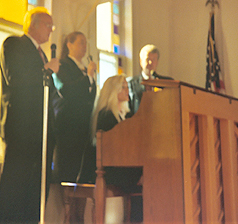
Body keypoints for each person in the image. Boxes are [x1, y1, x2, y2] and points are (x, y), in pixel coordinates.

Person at [0, 6, 59, 224]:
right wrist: (46, 71)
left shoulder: (42, 55)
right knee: (15, 189)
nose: (51, 30)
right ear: (32, 25)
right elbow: (16, 78)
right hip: (21, 130)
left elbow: (48, 93)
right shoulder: (14, 44)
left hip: (42, 133)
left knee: (36, 191)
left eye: (52, 26)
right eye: (47, 24)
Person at [78, 75, 143, 222]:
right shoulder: (106, 115)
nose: (128, 90)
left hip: (114, 165)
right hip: (106, 168)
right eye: (123, 87)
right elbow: (111, 149)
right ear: (114, 91)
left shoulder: (123, 115)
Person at [51, 31, 97, 223]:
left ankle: (80, 218)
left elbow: (89, 97)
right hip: (69, 129)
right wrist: (88, 77)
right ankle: (70, 217)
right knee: (69, 173)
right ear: (68, 45)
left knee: (84, 175)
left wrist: (90, 77)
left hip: (84, 129)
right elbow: (67, 90)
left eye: (86, 44)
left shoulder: (84, 68)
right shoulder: (62, 65)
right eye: (80, 43)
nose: (84, 47)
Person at [128, 44, 173, 114]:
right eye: (147, 59)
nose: (150, 63)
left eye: (154, 59)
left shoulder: (167, 82)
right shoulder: (131, 83)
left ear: (157, 62)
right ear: (141, 61)